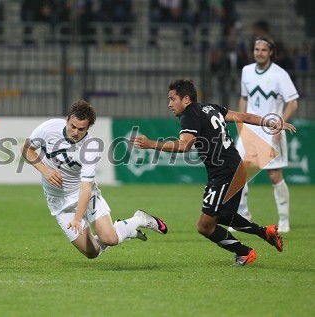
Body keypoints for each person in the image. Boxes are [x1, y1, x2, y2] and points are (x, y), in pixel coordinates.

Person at [132, 79, 296, 266]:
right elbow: (245, 117)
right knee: (222, 216)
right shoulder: (210, 108)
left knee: (205, 226)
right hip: (232, 169)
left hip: (225, 173)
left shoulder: (189, 114)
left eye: (172, 99)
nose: (169, 104)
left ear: (186, 99)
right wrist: (272, 122)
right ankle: (264, 232)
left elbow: (185, 146)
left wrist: (151, 144)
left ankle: (245, 253)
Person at [21, 100, 168, 259]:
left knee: (110, 239)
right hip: (59, 201)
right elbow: (27, 149)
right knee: (92, 253)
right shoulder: (48, 128)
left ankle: (138, 219)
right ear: (68, 120)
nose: (76, 132)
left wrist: (78, 219)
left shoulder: (90, 148)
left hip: (83, 194)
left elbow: (86, 188)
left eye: (81, 129)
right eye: (73, 126)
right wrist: (45, 170)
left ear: (88, 128)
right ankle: (124, 230)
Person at [235, 36, 299, 233]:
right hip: (250, 129)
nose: (259, 53)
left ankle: (284, 220)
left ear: (270, 52)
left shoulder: (280, 74)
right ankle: (243, 217)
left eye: (263, 50)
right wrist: (240, 124)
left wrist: (279, 125)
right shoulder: (246, 71)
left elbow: (293, 102)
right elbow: (244, 98)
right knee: (238, 174)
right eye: (256, 49)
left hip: (271, 130)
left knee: (274, 176)